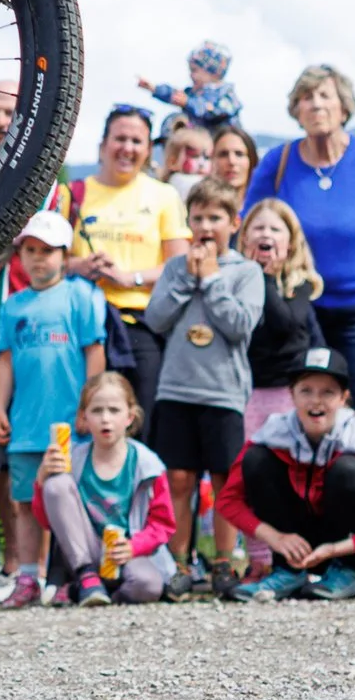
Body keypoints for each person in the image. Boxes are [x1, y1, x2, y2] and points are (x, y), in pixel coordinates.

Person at [249, 65, 355, 429]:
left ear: (345, 107)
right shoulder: (278, 162)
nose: (315, 105)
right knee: (304, 410)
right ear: (296, 111)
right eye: (306, 98)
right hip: (299, 308)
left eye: (325, 96)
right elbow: (248, 225)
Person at [138, 176, 263, 586]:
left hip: (223, 392)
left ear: (234, 222)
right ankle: (178, 564)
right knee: (178, 478)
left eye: (216, 217)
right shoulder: (176, 267)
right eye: (198, 217)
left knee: (225, 480)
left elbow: (240, 325)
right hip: (176, 388)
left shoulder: (246, 272)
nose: (206, 226)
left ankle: (225, 561)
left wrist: (210, 280)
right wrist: (187, 281)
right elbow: (155, 319)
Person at [0, 205, 108, 605]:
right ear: (19, 255)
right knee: (24, 502)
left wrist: (89, 407)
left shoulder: (82, 296)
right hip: (26, 422)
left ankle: (65, 577)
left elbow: (94, 352)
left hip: (68, 423)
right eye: (31, 250)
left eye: (49, 250)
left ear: (64, 255)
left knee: (66, 499)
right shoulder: (12, 306)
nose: (39, 259)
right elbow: (4, 359)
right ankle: (27, 577)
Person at [222, 346, 355, 597]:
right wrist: (276, 538)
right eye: (306, 391)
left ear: (344, 398)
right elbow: (228, 501)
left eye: (328, 392)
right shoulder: (274, 431)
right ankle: (288, 572)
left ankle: (350, 572)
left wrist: (336, 549)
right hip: (295, 544)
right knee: (256, 459)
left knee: (347, 470)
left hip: (348, 546)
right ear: (292, 396)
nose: (315, 401)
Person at [65, 106, 187, 400]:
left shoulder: (164, 196)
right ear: (103, 144)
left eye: (137, 141)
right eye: (120, 138)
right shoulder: (72, 193)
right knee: (82, 414)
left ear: (148, 150)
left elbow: (179, 265)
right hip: (81, 325)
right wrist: (79, 265)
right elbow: (46, 261)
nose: (127, 148)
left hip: (142, 327)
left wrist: (128, 278)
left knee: (138, 420)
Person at [34, 370, 173, 602]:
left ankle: (97, 595)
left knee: (147, 585)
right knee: (56, 484)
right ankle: (86, 576)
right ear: (83, 418)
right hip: (84, 551)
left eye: (114, 410)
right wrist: (41, 479)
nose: (105, 419)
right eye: (97, 411)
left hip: (127, 552)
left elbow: (163, 524)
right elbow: (48, 522)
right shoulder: (73, 460)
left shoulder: (148, 465)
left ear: (130, 416)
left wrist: (133, 546)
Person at [236, 196, 325, 434]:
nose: (266, 234)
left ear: (291, 244)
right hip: (249, 390)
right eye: (258, 228)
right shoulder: (234, 280)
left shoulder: (299, 284)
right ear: (244, 238)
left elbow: (285, 323)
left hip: (286, 390)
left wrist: (264, 278)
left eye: (275, 229)